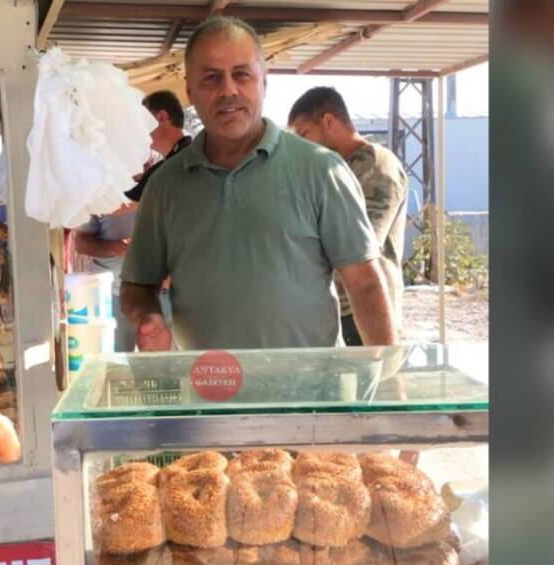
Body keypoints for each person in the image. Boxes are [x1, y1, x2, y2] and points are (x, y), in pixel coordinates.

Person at [120, 16, 398, 351]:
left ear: (264, 83)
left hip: (311, 396)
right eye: (211, 77)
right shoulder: (166, 185)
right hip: (207, 394)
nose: (228, 90)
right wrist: (147, 316)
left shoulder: (321, 171)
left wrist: (387, 376)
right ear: (190, 91)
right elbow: (138, 284)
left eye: (242, 74)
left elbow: (365, 282)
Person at [288, 87, 408, 346]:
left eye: (304, 133)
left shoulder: (376, 165)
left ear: (329, 121)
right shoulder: (334, 169)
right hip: (338, 308)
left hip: (365, 310)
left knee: (376, 384)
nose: (300, 144)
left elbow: (363, 245)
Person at [74, 90, 190, 351]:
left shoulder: (184, 160)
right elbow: (128, 202)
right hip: (139, 291)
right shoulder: (174, 161)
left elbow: (124, 204)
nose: (136, 133)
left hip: (175, 292)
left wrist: (77, 195)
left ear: (161, 117)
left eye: (139, 123)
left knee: (168, 370)